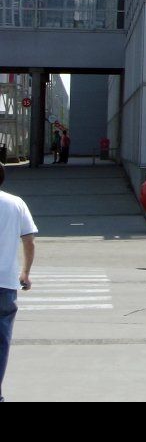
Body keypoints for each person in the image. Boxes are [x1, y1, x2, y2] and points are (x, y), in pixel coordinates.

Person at [1, 162, 38, 402]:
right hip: (4, 283)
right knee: (1, 341)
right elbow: (29, 240)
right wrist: (25, 272)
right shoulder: (16, 203)